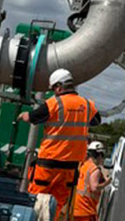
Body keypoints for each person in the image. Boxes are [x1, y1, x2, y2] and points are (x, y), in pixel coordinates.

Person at [19, 68, 100, 213]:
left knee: (36, 200)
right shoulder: (87, 105)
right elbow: (96, 120)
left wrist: (24, 115)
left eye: (54, 89)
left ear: (59, 86)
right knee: (58, 204)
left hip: (48, 164)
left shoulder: (53, 103)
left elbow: (32, 117)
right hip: (71, 167)